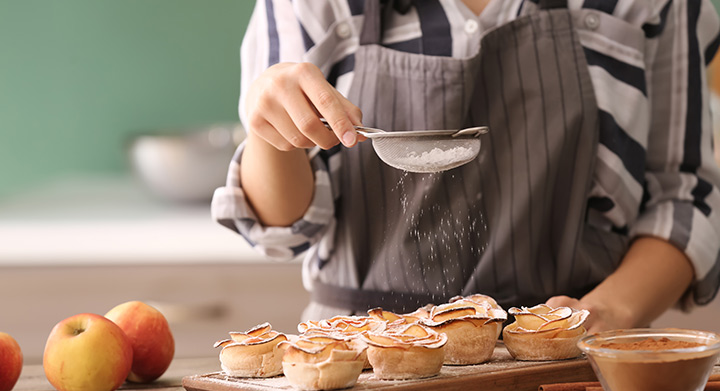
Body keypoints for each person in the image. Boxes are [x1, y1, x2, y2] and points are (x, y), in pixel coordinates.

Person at [212, 0, 720, 333]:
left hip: (568, 358)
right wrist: (271, 137)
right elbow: (283, 230)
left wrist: (611, 311)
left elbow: (687, 197)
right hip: (361, 368)